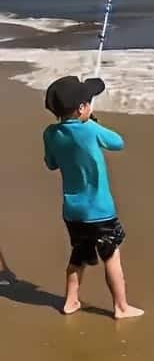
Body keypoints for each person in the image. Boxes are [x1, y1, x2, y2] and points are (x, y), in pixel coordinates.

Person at [43, 75, 143, 319]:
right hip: (100, 211)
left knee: (78, 255)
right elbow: (118, 143)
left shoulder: (50, 133)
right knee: (111, 256)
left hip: (73, 211)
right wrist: (93, 124)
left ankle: (71, 301)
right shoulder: (90, 129)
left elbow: (51, 163)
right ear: (81, 108)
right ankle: (121, 307)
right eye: (88, 102)